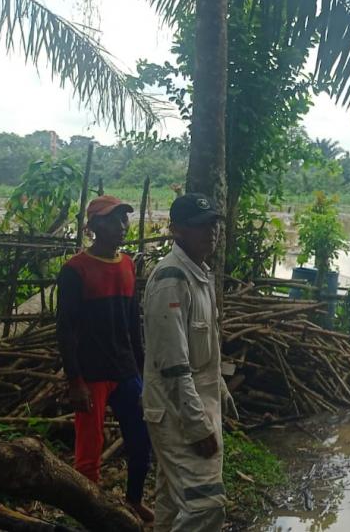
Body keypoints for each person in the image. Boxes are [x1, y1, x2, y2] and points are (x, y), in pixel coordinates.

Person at [142, 193, 239, 532]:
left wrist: (220, 388)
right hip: (177, 413)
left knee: (171, 502)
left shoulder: (199, 274)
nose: (210, 231)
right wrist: (197, 425)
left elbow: (203, 348)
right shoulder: (171, 278)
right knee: (205, 507)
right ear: (177, 230)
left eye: (213, 224)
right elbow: (173, 365)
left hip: (195, 403)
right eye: (200, 225)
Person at [56, 195, 153, 523]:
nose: (121, 226)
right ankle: (89, 515)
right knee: (89, 451)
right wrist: (75, 381)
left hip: (125, 370)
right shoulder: (75, 270)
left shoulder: (127, 265)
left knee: (141, 438)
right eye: (113, 220)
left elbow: (132, 323)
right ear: (94, 226)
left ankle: (133, 500)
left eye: (123, 219)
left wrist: (141, 370)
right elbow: (66, 329)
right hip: (91, 373)